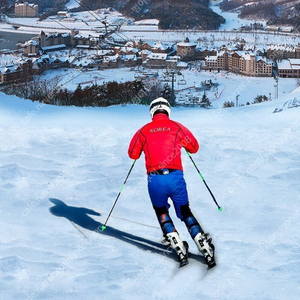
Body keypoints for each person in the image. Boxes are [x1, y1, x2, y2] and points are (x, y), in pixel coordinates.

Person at [128, 97, 215, 268]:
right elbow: (194, 147)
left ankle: (177, 245)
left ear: (152, 111)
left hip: (154, 179)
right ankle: (202, 244)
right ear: (167, 110)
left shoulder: (143, 131)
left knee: (161, 212)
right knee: (185, 212)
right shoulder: (177, 127)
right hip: (175, 177)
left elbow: (132, 154)